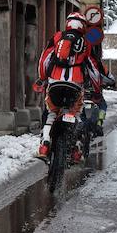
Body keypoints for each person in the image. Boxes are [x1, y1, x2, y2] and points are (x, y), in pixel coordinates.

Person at [35, 13, 101, 159]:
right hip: (75, 86)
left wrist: (42, 78)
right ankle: (76, 148)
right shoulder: (86, 42)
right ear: (83, 25)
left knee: (52, 113)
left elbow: (44, 59)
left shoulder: (58, 37)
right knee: (76, 113)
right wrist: (97, 91)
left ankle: (44, 144)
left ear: (68, 23)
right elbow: (93, 70)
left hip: (54, 83)